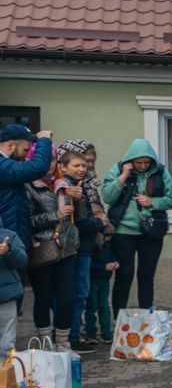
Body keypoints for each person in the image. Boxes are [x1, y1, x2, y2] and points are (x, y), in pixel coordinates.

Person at [101, 140, 172, 312]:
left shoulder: (160, 171)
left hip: (151, 232)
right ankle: (119, 317)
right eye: (139, 162)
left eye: (147, 162)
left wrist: (153, 202)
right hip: (122, 232)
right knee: (124, 275)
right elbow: (107, 196)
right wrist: (123, 175)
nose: (143, 166)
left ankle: (146, 316)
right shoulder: (117, 169)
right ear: (131, 159)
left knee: (146, 276)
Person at [26, 150, 84, 349]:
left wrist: (78, 199)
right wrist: (55, 215)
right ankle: (45, 343)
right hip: (42, 247)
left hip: (67, 248)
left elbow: (80, 218)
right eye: (46, 159)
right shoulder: (28, 185)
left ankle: (62, 343)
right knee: (43, 297)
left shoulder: (64, 183)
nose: (50, 164)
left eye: (54, 159)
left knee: (67, 298)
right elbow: (27, 221)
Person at [59, 140, 106, 352]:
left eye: (86, 165)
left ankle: (69, 335)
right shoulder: (70, 188)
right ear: (63, 165)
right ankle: (71, 337)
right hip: (77, 246)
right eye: (78, 164)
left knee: (79, 292)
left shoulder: (83, 186)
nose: (83, 168)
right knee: (78, 292)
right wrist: (100, 223)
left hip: (83, 245)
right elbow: (80, 220)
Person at [0, 124, 54, 253]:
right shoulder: (3, 166)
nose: (26, 156)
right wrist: (44, 141)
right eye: (25, 150)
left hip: (13, 234)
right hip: (7, 238)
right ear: (10, 145)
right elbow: (38, 168)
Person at [84, 227, 118, 345]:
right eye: (107, 236)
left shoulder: (107, 243)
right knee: (91, 306)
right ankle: (91, 332)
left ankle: (106, 331)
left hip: (105, 279)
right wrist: (104, 267)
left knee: (104, 306)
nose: (109, 238)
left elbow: (110, 255)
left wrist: (115, 261)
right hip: (93, 279)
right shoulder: (93, 245)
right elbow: (89, 263)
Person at [0, 218, 27, 355]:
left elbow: (22, 260)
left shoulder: (8, 235)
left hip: (6, 297)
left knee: (6, 345)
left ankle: (5, 373)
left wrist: (8, 251)